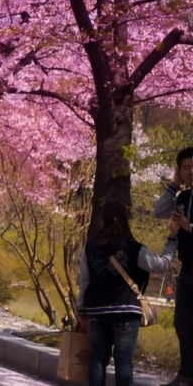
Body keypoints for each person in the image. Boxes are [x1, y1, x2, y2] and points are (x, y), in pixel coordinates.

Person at [78, 200, 178, 386]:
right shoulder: (134, 248)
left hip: (98, 311)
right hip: (125, 310)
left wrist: (81, 309)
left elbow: (84, 279)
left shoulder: (90, 247)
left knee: (98, 358)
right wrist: (172, 240)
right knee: (123, 362)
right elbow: (161, 265)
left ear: (104, 219)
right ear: (126, 219)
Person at [155, 147, 193, 386]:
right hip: (188, 269)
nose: (191, 173)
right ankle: (186, 374)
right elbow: (158, 211)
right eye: (186, 168)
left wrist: (190, 228)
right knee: (183, 322)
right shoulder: (184, 198)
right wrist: (174, 184)